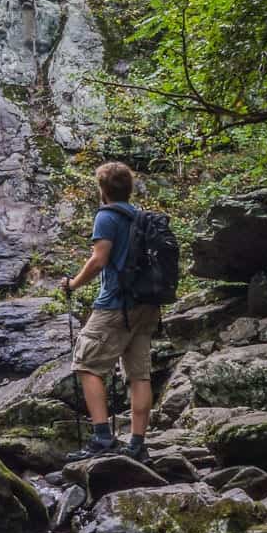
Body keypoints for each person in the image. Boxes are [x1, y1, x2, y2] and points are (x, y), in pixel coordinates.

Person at [60, 161, 160, 462]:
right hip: (146, 305)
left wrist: (73, 283)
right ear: (128, 188)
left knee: (87, 364)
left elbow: (99, 259)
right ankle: (137, 444)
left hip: (116, 304)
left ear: (103, 190)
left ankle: (103, 438)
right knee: (139, 374)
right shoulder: (140, 216)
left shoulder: (106, 216)